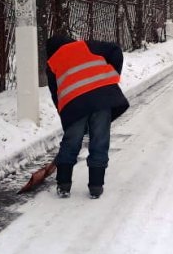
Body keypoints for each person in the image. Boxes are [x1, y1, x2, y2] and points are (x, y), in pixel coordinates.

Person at [45, 35, 130, 199]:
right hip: (103, 97)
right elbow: (115, 50)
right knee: (100, 140)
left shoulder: (52, 62)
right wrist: (112, 75)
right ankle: (96, 187)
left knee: (71, 142)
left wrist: (67, 116)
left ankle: (63, 185)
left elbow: (56, 95)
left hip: (74, 104)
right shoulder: (87, 45)